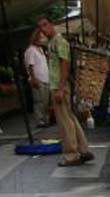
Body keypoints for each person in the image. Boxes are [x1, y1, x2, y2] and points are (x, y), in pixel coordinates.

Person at [37, 16, 93, 167]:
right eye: (40, 26)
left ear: (51, 24)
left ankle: (71, 154)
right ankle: (83, 149)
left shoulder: (59, 42)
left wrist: (60, 88)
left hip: (59, 86)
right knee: (70, 118)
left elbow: (65, 64)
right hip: (57, 85)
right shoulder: (51, 42)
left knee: (64, 122)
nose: (43, 29)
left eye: (45, 25)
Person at [25, 28, 49, 128]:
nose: (43, 39)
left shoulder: (40, 50)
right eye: (41, 37)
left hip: (45, 78)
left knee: (45, 101)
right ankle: (40, 121)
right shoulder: (31, 50)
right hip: (38, 78)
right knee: (39, 101)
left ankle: (45, 119)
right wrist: (33, 78)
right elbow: (30, 65)